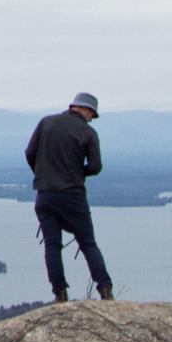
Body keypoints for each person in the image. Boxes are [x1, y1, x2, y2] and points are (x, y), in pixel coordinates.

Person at [25, 92, 113, 303]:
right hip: (72, 195)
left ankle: (60, 293)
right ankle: (105, 290)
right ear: (88, 110)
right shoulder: (88, 132)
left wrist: (43, 174)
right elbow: (95, 167)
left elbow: (29, 153)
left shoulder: (46, 122)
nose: (92, 119)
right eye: (92, 115)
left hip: (45, 195)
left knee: (52, 245)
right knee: (88, 243)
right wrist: (78, 172)